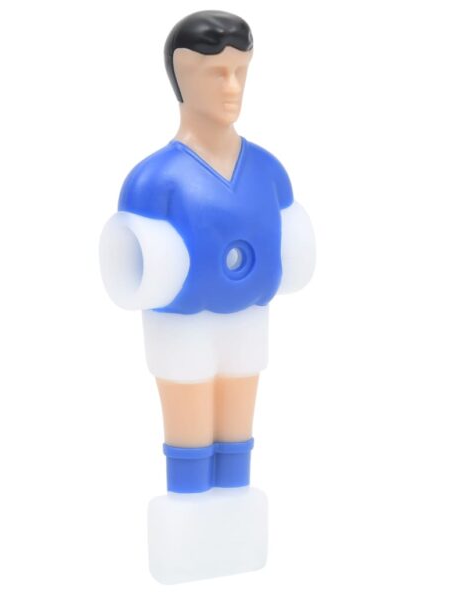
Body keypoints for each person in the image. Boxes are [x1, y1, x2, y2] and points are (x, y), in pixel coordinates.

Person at [100, 9, 314, 492]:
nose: (232, 86)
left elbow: (293, 245)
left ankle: (236, 503)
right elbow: (133, 260)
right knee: (190, 428)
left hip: (247, 323)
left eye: (241, 71)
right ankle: (187, 505)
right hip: (182, 329)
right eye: (217, 73)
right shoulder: (154, 182)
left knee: (238, 434)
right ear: (182, 74)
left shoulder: (268, 172)